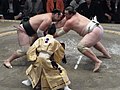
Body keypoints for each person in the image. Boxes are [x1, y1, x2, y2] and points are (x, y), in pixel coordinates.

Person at [55, 6, 111, 72]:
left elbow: (61, 32)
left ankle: (97, 61)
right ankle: (106, 54)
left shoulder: (70, 22)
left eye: (66, 14)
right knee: (93, 41)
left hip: (94, 31)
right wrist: (54, 25)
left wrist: (51, 35)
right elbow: (62, 23)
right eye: (65, 13)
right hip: (98, 28)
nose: (65, 15)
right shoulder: (76, 14)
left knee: (81, 46)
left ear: (71, 14)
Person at [22, 24, 71, 90]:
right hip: (47, 58)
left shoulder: (40, 39)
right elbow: (60, 52)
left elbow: (32, 49)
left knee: (33, 69)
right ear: (54, 33)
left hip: (39, 58)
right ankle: (65, 87)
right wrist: (57, 60)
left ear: (46, 31)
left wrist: (32, 57)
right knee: (60, 70)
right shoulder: (55, 42)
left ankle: (29, 82)